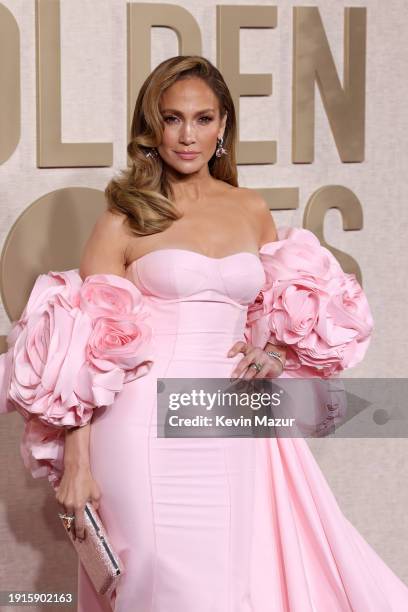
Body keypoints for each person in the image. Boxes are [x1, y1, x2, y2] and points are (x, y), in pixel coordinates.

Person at [1, 55, 408, 612]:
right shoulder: (125, 217)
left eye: (202, 119)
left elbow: (273, 314)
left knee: (228, 587)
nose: (187, 135)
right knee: (157, 581)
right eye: (172, 119)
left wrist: (272, 355)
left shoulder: (251, 209)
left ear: (223, 127)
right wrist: (77, 464)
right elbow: (85, 345)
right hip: (141, 424)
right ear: (152, 127)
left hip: (231, 424)